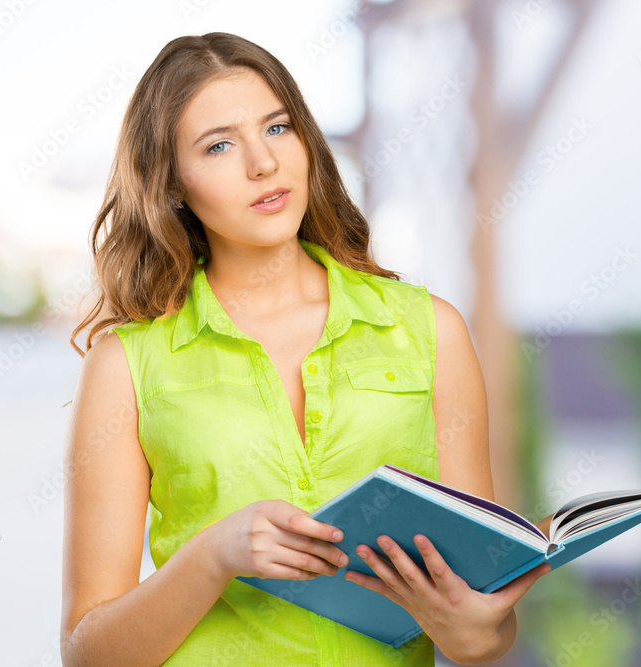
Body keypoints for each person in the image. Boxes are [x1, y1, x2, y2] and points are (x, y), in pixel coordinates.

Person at [60, 32, 553, 666]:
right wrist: (214, 555)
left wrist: (468, 628)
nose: (263, 163)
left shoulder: (431, 330)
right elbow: (88, 654)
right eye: (218, 145)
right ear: (172, 183)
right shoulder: (125, 365)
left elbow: (485, 632)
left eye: (278, 127)